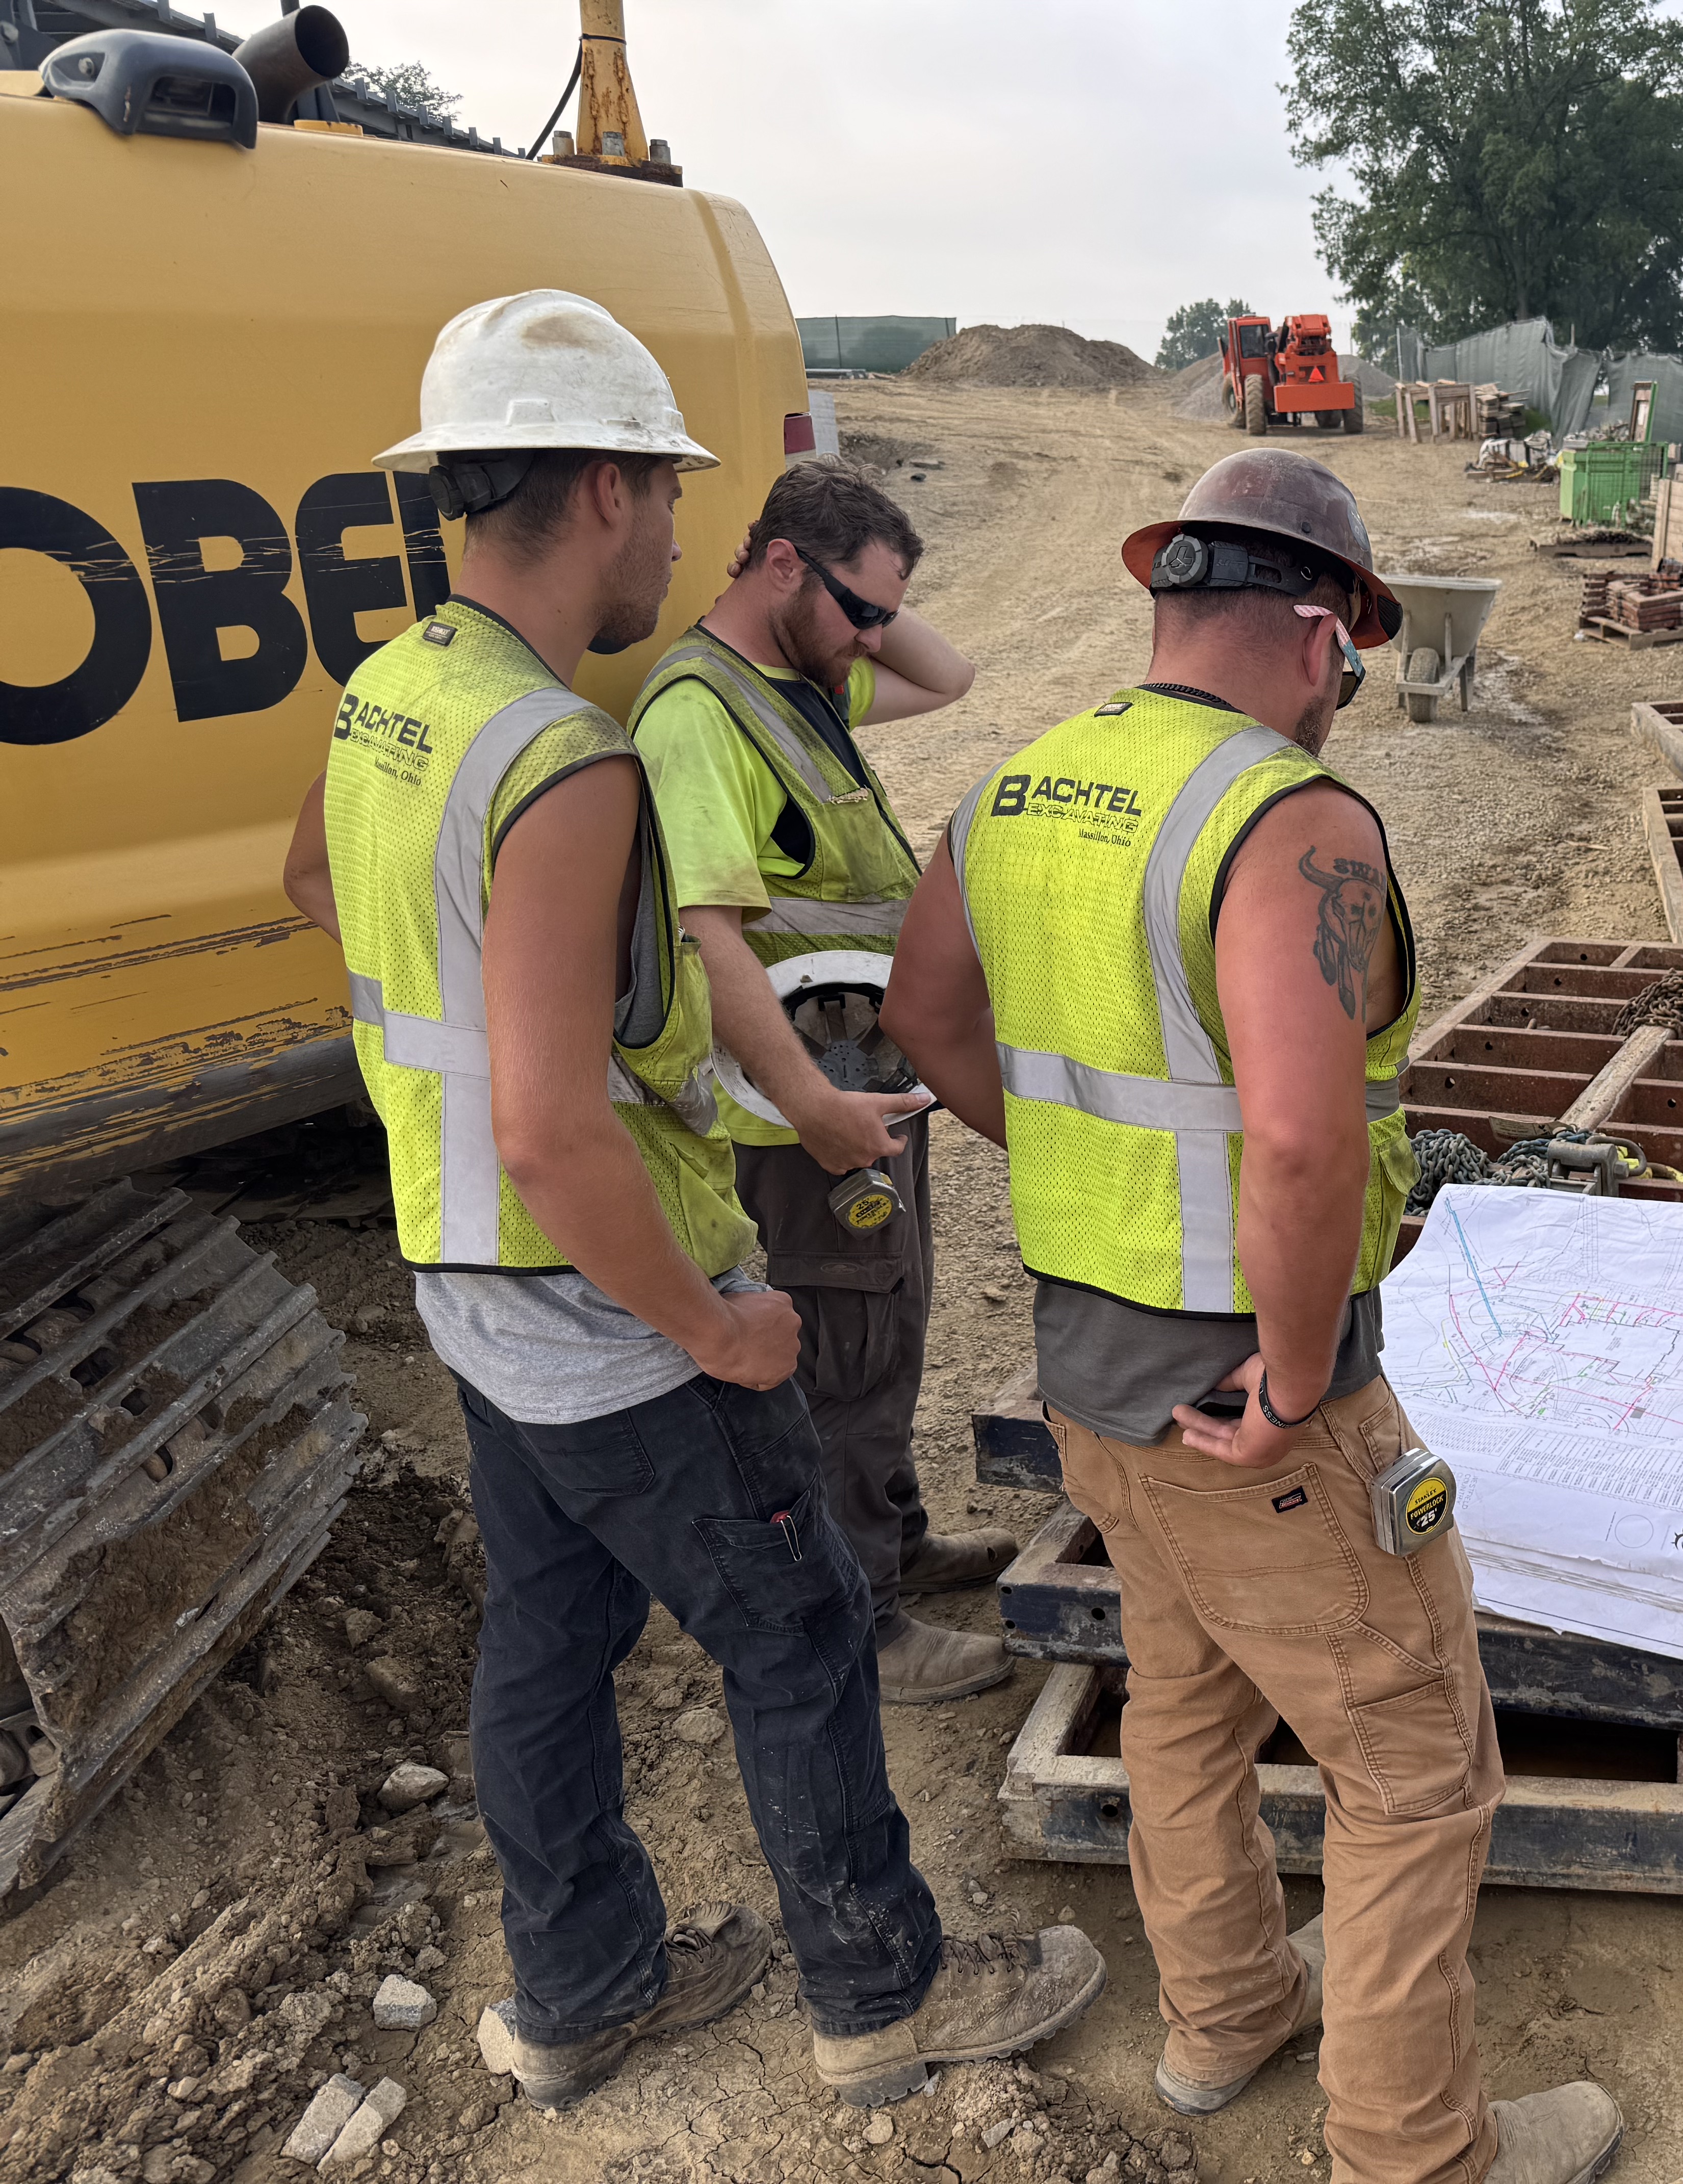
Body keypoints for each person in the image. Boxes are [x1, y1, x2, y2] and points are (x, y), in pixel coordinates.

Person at [279, 289, 1102, 2116]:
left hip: (463, 1266)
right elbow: (564, 1133)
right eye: (661, 493)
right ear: (592, 487)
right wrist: (715, 1321)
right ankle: (881, 1995)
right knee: (800, 1628)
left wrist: (485, 1028)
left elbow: (315, 895)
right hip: (596, 1291)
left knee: (552, 1637)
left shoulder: (397, 698)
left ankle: (581, 1994)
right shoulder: (563, 760)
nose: (674, 532)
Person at [883, 448, 1623, 2184]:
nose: (1346, 701)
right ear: (1315, 629)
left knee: (1188, 1702)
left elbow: (925, 1022)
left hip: (1095, 1372)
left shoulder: (1019, 788)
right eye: (1352, 666)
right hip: (1254, 1401)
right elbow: (1299, 1136)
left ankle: (1225, 2016)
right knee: (1417, 1771)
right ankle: (1415, 2148)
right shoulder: (1289, 820)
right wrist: (1298, 1379)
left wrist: (1082, 1177)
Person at [630, 456, 1016, 1706]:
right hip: (798, 1116)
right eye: (858, 608)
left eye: (878, 619)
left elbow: (947, 677)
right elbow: (708, 933)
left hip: (861, 1087)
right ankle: (867, 1618)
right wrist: (813, 1107)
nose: (872, 642)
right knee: (840, 1355)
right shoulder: (701, 714)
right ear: (781, 564)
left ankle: (890, 1536)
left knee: (889, 1325)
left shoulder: (801, 683)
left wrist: (867, 611)